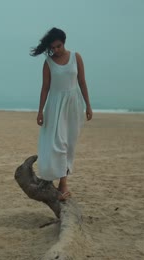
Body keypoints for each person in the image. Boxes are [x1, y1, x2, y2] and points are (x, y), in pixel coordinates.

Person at [30, 27, 93, 201]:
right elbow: (45, 88)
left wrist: (88, 105)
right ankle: (63, 184)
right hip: (55, 105)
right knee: (59, 143)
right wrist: (40, 111)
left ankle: (61, 182)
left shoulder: (76, 57)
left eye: (58, 46)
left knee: (69, 144)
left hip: (73, 105)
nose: (55, 50)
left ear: (63, 42)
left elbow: (82, 82)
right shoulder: (48, 62)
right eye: (53, 47)